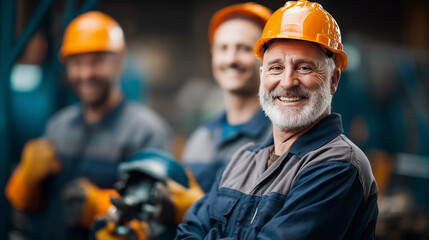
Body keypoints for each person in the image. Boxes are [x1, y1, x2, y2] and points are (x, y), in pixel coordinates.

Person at [176, 1, 379, 239]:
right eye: (276, 67)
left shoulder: (338, 166)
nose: (287, 82)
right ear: (263, 77)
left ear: (333, 79)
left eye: (304, 68)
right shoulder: (242, 159)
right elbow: (187, 232)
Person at [5, 11, 172, 240]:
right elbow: (34, 209)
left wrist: (101, 207)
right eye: (76, 63)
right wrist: (27, 183)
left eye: (96, 62)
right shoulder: (58, 127)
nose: (85, 73)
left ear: (119, 61)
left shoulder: (146, 132)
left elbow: (157, 218)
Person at [180, 2, 272, 194]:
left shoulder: (278, 138)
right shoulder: (200, 140)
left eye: (244, 48)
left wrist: (195, 207)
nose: (231, 59)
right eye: (223, 48)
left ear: (268, 58)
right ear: (212, 54)